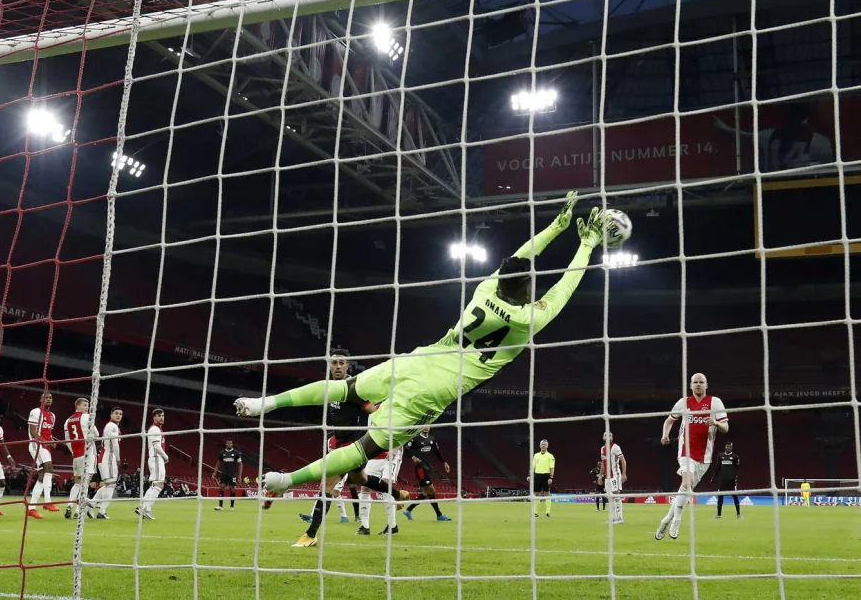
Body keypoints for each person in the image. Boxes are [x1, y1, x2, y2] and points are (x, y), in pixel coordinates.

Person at [236, 192, 610, 498]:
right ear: (527, 289)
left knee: (347, 390)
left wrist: (554, 228)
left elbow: (520, 256)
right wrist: (587, 243)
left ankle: (262, 404)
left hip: (420, 359)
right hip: (435, 390)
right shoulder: (528, 320)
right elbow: (565, 286)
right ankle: (288, 480)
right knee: (365, 448)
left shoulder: (484, 290)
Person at [294, 349, 373, 548]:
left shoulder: (353, 387)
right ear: (329, 366)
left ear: (348, 366)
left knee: (327, 486)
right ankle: (397, 494)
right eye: (334, 363)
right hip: (341, 444)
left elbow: (372, 409)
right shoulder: (329, 388)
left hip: (353, 447)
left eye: (341, 363)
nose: (337, 366)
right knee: (361, 480)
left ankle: (311, 534)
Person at [656, 373, 728, 540]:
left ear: (706, 385)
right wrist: (665, 435)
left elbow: (726, 427)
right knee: (686, 483)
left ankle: (666, 519)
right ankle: (677, 520)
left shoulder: (715, 402)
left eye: (701, 382)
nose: (698, 385)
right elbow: (669, 421)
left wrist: (716, 423)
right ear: (690, 385)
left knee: (686, 490)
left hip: (705, 456)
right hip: (685, 451)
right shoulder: (683, 402)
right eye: (695, 382)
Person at [712, 102, 834, 172]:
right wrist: (724, 128)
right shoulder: (821, 142)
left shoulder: (771, 136)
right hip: (777, 189)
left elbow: (744, 136)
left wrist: (724, 128)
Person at [403, 427, 452, 522]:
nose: (425, 427)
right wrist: (413, 457)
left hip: (427, 466)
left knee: (427, 492)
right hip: (420, 467)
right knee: (431, 490)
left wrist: (444, 462)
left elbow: (437, 452)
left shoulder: (432, 439)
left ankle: (408, 510)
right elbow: (406, 450)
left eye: (428, 425)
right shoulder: (415, 438)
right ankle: (439, 515)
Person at [26, 392, 60, 519]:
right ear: (41, 400)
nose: (49, 399)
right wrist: (47, 443)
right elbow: (33, 432)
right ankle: (47, 501)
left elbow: (48, 432)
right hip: (37, 445)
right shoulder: (35, 412)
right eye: (46, 397)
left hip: (45, 446)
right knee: (49, 468)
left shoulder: (52, 416)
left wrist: (52, 441)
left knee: (42, 476)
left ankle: (31, 508)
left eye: (50, 398)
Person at [358, 443, 404, 536]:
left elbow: (403, 430)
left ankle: (392, 526)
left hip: (390, 455)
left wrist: (395, 449)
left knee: (386, 485)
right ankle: (365, 526)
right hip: (374, 456)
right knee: (365, 487)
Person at [62, 398, 96, 520]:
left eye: (87, 405)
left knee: (77, 482)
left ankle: (69, 505)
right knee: (85, 483)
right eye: (84, 405)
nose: (86, 407)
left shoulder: (67, 421)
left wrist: (74, 452)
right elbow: (96, 434)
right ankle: (78, 510)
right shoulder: (87, 417)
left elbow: (67, 440)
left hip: (76, 455)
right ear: (78, 406)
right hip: (87, 452)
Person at [88, 407, 123, 520]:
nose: (119, 416)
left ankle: (92, 504)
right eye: (116, 413)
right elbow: (115, 444)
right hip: (108, 456)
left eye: (120, 414)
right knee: (111, 484)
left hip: (106, 456)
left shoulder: (112, 426)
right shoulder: (112, 426)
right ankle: (101, 511)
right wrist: (118, 458)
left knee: (108, 484)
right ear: (111, 414)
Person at [138, 409, 168, 520]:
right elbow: (156, 446)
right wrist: (166, 456)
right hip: (156, 457)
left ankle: (142, 507)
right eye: (159, 416)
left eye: (163, 416)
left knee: (156, 485)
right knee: (159, 485)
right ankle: (146, 509)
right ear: (154, 417)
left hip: (155, 458)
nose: (162, 418)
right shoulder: (155, 429)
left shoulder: (157, 429)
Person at [709, 442, 741, 519]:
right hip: (722, 480)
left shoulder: (735, 457)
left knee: (735, 497)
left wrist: (735, 477)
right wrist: (714, 477)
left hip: (731, 480)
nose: (728, 448)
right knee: (720, 496)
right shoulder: (720, 456)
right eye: (727, 446)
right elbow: (718, 468)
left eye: (730, 447)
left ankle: (738, 514)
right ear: (725, 447)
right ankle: (719, 515)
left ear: (732, 448)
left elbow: (737, 469)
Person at [601, 432, 626, 524]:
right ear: (603, 437)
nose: (608, 437)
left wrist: (624, 474)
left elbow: (623, 460)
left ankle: (620, 517)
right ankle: (613, 517)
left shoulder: (615, 447)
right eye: (606, 435)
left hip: (615, 474)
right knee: (610, 497)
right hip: (607, 477)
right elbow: (603, 464)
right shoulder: (602, 449)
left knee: (616, 495)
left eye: (610, 435)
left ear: (612, 437)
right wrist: (600, 475)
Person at [529, 439, 555, 518]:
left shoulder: (550, 456)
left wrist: (551, 477)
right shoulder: (536, 455)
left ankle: (547, 512)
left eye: (545, 444)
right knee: (537, 494)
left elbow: (552, 468)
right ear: (540, 445)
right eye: (542, 444)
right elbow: (532, 466)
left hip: (546, 476)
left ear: (547, 446)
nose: (543, 446)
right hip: (537, 475)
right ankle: (535, 512)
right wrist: (530, 475)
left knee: (547, 494)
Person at [215, 439, 242, 512]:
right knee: (221, 488)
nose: (229, 444)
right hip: (224, 474)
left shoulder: (236, 453)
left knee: (232, 489)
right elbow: (218, 463)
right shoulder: (222, 453)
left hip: (232, 474)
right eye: (228, 443)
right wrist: (215, 472)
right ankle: (220, 506)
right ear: (226, 444)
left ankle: (232, 506)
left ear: (232, 444)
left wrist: (239, 475)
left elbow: (240, 464)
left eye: (230, 443)